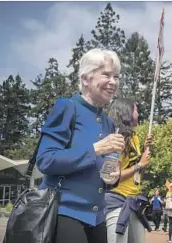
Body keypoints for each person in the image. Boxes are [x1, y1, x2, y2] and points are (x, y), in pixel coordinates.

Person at [36, 48, 125, 243]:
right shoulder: (67, 107)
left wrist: (112, 176)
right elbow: (45, 160)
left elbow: (103, 173)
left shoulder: (108, 123)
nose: (113, 82)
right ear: (86, 79)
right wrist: (96, 149)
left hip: (98, 217)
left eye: (116, 76)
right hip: (64, 212)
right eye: (106, 74)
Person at [104, 98, 153, 243]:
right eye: (136, 110)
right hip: (116, 200)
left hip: (134, 202)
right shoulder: (115, 138)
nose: (138, 113)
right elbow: (109, 177)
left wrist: (144, 152)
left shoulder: (135, 138)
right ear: (127, 113)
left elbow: (137, 174)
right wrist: (139, 165)